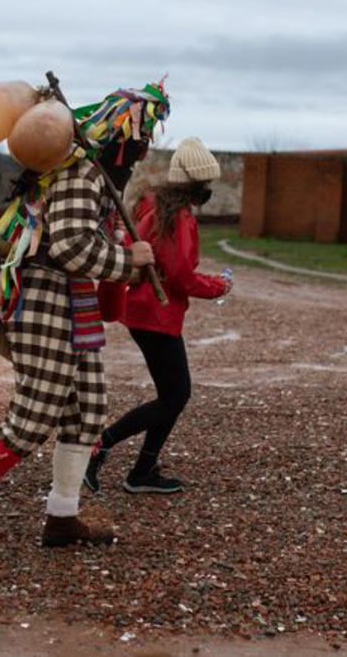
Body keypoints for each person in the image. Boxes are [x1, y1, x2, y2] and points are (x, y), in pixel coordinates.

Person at [0, 82, 168, 562]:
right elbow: (71, 247)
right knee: (34, 418)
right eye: (140, 137)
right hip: (45, 303)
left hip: (73, 309)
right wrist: (129, 261)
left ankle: (62, 515)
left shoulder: (87, 173)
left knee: (87, 410)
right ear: (121, 137)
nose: (144, 147)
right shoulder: (81, 174)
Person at [84, 137, 229, 494]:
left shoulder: (155, 206)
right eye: (204, 184)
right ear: (193, 185)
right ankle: (102, 447)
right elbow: (180, 275)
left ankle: (143, 470)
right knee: (175, 395)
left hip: (145, 311)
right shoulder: (177, 217)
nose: (207, 190)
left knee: (172, 395)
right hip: (157, 314)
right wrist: (218, 285)